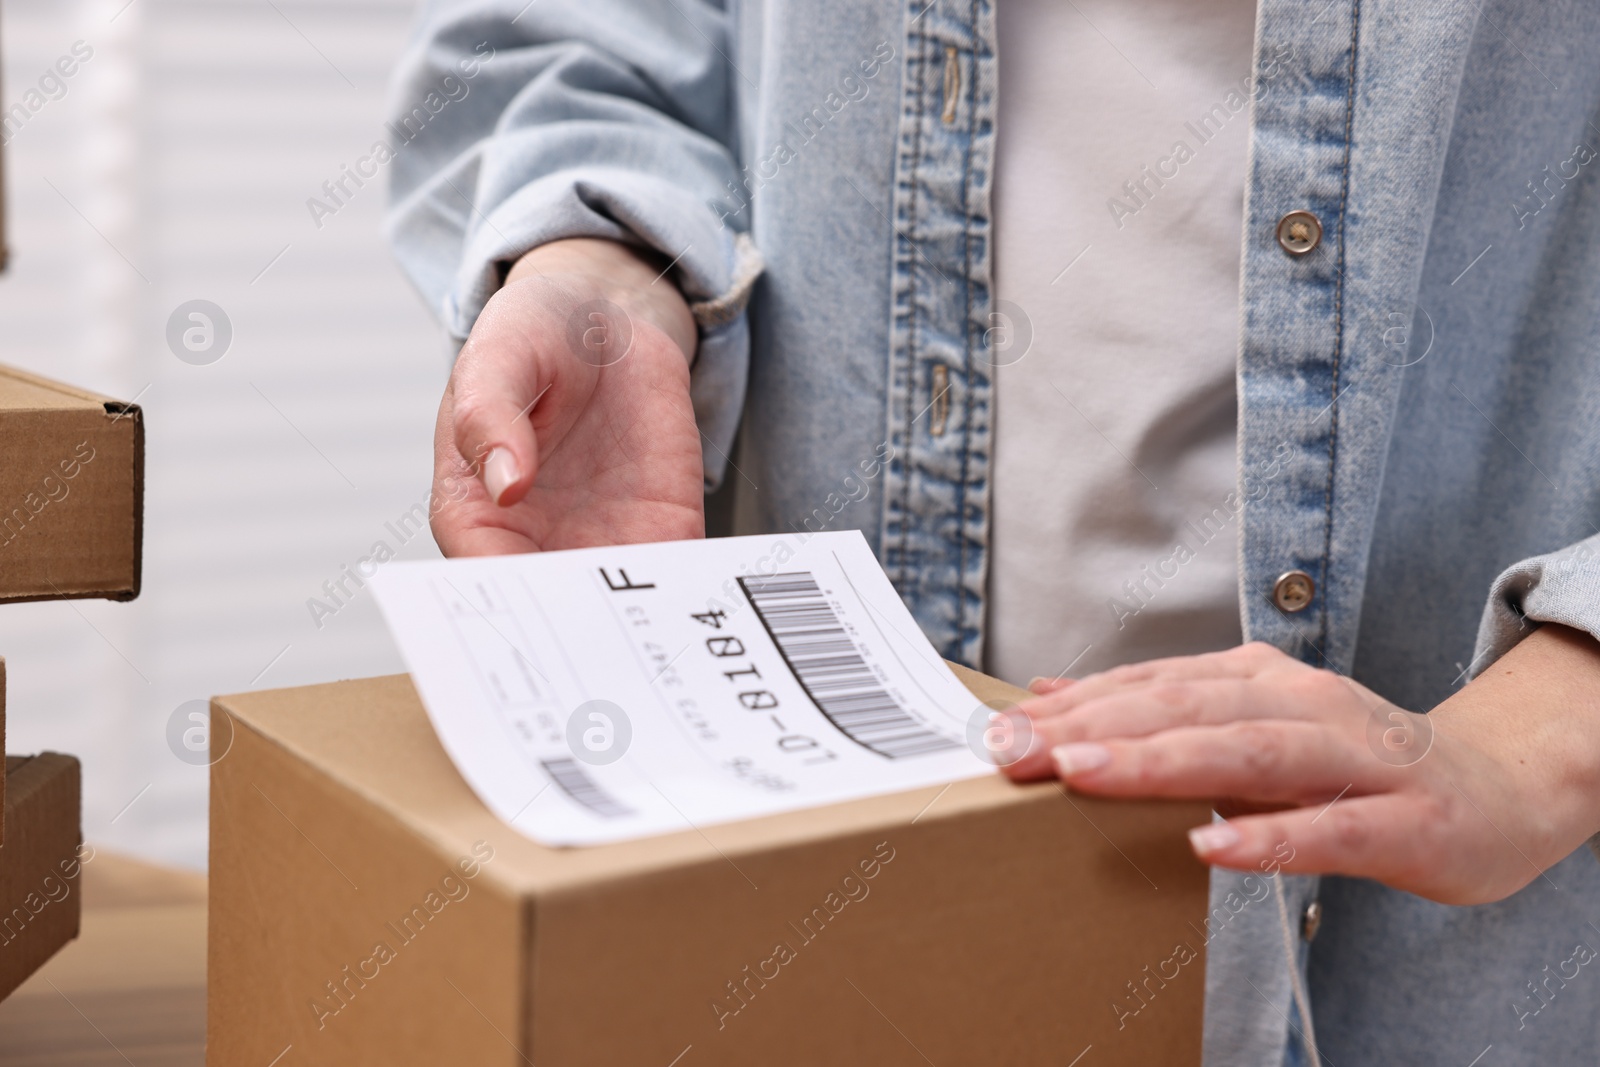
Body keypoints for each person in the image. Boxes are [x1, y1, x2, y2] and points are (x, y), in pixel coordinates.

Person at [386, 1, 1600, 1062]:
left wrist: (1539, 739)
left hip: (1473, 950)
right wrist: (605, 261)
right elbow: (565, 31)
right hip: (838, 888)